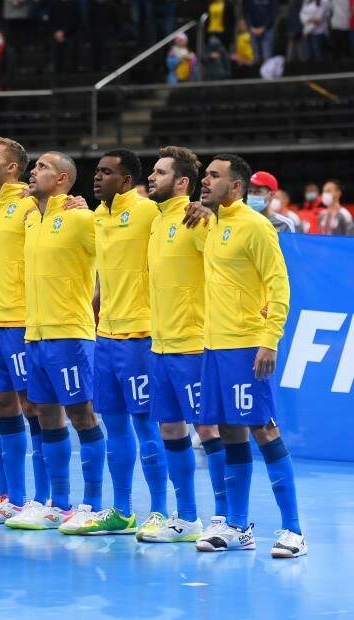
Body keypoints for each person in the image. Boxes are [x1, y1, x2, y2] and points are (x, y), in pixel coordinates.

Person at [195, 154, 306, 558]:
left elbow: (279, 286)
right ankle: (238, 527)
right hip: (214, 346)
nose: (204, 181)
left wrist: (269, 339)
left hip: (246, 345)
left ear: (236, 186)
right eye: (204, 175)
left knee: (265, 430)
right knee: (229, 432)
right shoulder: (211, 223)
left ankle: (294, 530)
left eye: (214, 176)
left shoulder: (256, 227)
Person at [61, 149, 169, 536]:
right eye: (97, 171)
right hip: (104, 336)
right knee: (116, 426)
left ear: (126, 181)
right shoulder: (97, 217)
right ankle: (121, 510)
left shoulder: (146, 211)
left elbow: (180, 221)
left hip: (139, 336)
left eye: (107, 172)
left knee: (147, 427)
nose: (97, 177)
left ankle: (159, 511)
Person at [4, 151, 106, 531]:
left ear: (63, 179)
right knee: (46, 415)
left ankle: (92, 504)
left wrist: (94, 212)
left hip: (70, 334)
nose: (34, 171)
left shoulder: (81, 218)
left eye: (43, 167)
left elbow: (119, 243)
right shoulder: (32, 219)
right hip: (35, 334)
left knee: (82, 415)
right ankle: (58, 503)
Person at [138, 147, 228, 543]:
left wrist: (214, 213)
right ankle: (187, 518)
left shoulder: (198, 219)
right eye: (152, 172)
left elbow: (227, 256)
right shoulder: (157, 222)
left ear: (182, 182)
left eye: (160, 172)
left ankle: (225, 518)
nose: (151, 177)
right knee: (171, 428)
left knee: (207, 429)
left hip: (193, 344)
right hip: (159, 346)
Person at [0, 137, 47, 524]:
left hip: (21, 321)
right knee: (3, 404)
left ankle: (44, 498)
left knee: (33, 405)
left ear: (14, 168)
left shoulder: (28, 205)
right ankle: (16, 498)